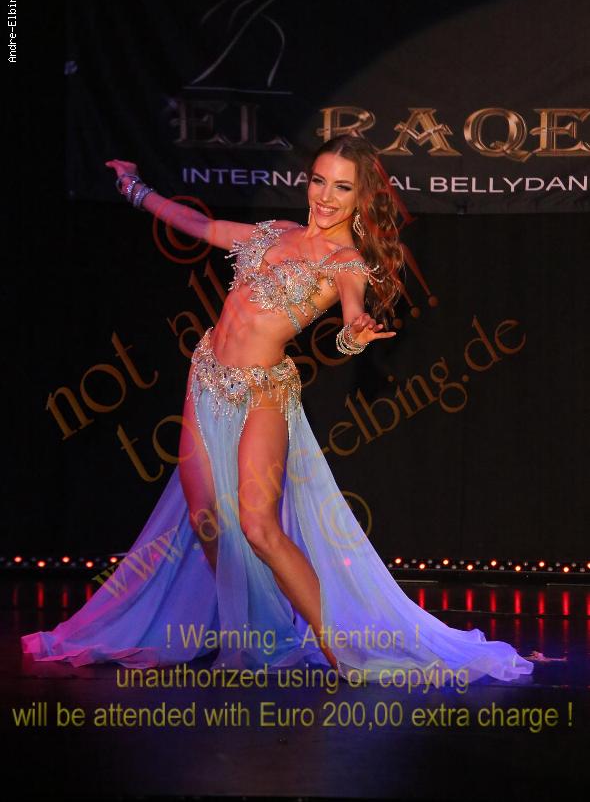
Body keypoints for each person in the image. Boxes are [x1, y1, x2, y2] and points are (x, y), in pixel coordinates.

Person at [21, 136, 535, 686]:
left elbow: (352, 312)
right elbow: (199, 225)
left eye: (342, 187)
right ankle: (258, 629)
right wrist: (134, 187)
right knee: (203, 518)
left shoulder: (345, 261)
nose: (326, 196)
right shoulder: (273, 233)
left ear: (361, 197)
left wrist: (354, 334)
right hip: (206, 378)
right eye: (319, 181)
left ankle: (344, 653)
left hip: (263, 391)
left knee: (258, 525)